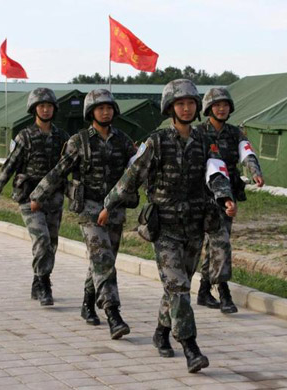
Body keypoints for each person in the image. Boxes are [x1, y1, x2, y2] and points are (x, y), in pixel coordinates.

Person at [99, 79, 236, 373]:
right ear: (170, 108)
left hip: (195, 226)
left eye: (190, 104)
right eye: (180, 104)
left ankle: (161, 332)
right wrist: (109, 204)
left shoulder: (203, 140)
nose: (186, 108)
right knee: (179, 287)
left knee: (178, 287)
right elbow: (132, 175)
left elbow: (216, 171)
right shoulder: (157, 141)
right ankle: (190, 346)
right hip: (165, 229)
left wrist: (225, 197)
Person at [29, 89, 136, 340]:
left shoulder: (123, 140)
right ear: (91, 113)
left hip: (115, 210)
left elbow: (138, 170)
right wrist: (38, 194)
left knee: (101, 260)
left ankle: (88, 302)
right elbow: (59, 171)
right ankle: (113, 314)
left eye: (109, 107)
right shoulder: (79, 141)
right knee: (103, 260)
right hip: (88, 208)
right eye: (100, 108)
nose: (106, 112)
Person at [0, 88, 69, 306]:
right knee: (41, 239)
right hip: (28, 197)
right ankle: (44, 284)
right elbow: (10, 165)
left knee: (51, 243)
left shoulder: (62, 137)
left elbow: (70, 165)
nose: (45, 109)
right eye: (41, 106)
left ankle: (38, 279)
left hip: (54, 198)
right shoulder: (24, 136)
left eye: (49, 106)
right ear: (34, 109)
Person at [196, 87, 264, 313]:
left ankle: (214, 290)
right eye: (217, 105)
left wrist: (255, 171)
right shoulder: (198, 133)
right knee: (215, 242)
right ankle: (213, 291)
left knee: (220, 240)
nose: (222, 108)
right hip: (201, 193)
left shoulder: (235, 133)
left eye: (225, 105)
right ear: (208, 108)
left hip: (227, 197)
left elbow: (247, 153)